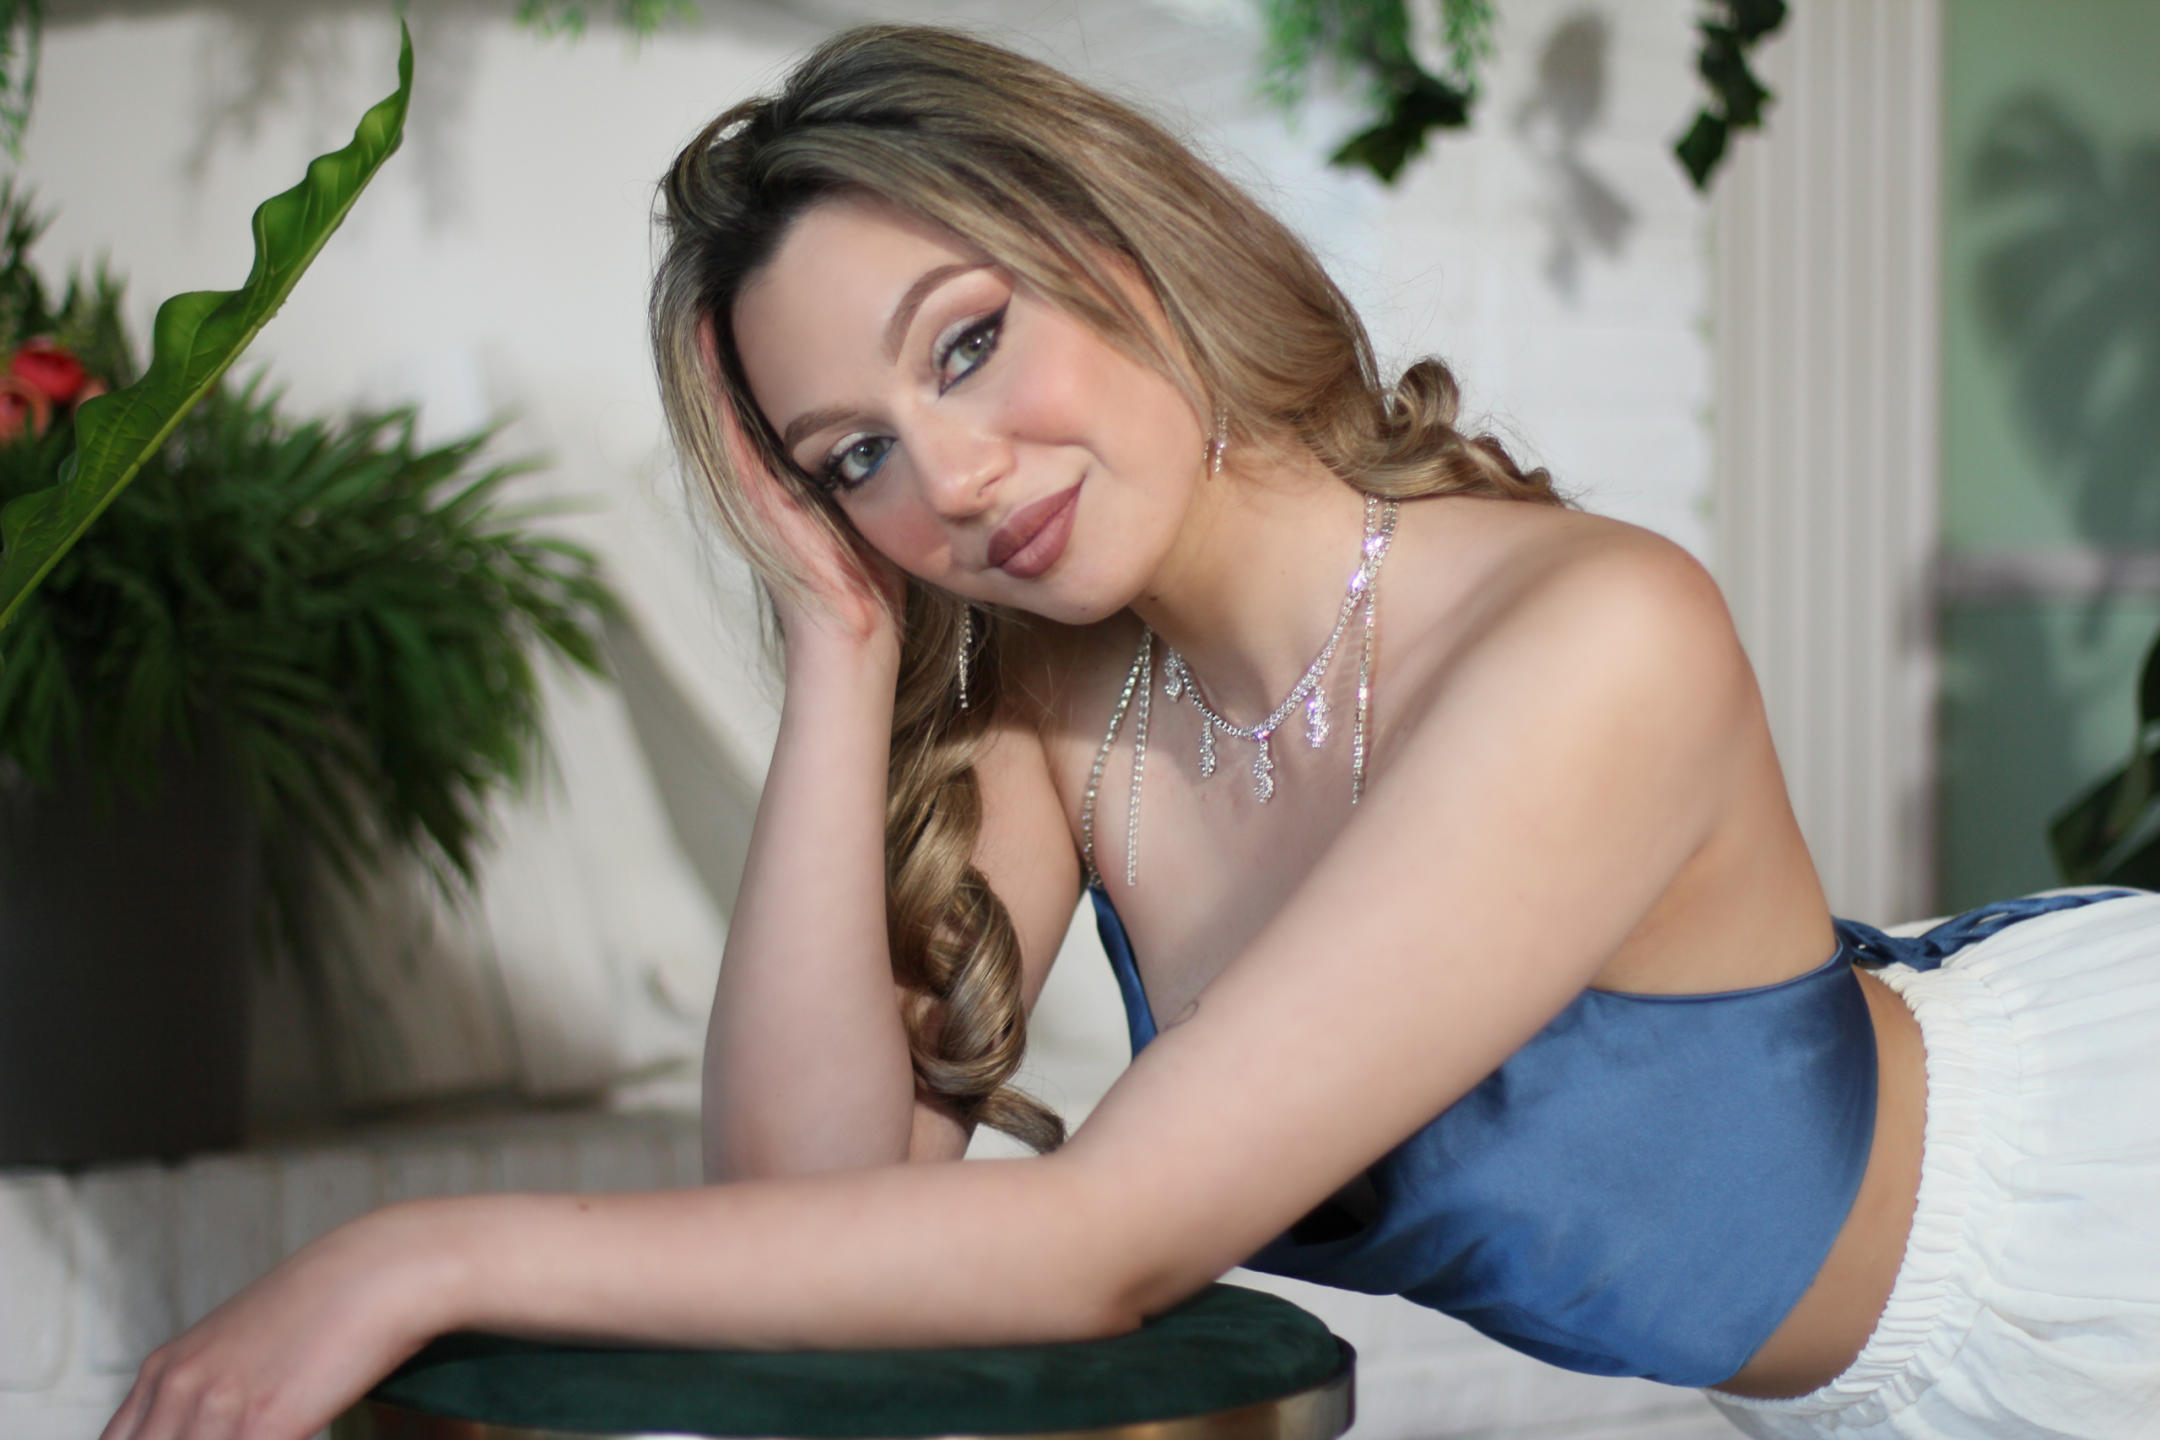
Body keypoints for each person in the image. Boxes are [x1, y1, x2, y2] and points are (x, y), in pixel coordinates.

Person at [104, 24, 2160, 1440]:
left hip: (2096, 1251)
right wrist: (841, 642)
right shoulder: (1074, 708)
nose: (952, 479)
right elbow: (818, 1184)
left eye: (969, 343)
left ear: (1116, 249)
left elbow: (1097, 1246)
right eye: (853, 457)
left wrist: (417, 1250)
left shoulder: (1596, 637)